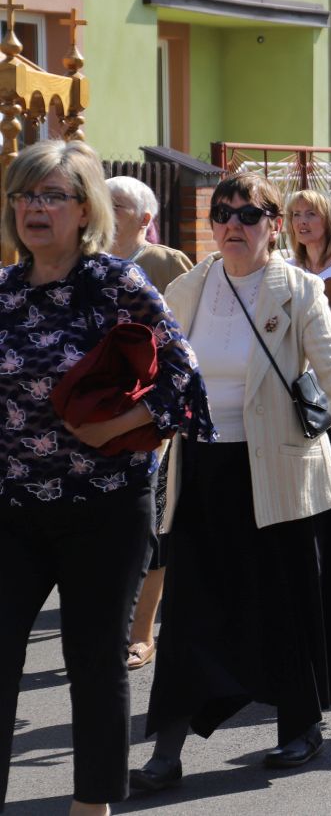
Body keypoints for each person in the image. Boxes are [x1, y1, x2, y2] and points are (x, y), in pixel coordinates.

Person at [135, 172, 331, 790]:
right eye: (222, 214)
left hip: (281, 469)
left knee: (285, 605)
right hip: (204, 470)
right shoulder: (188, 288)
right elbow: (157, 375)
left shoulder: (297, 289)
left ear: (273, 224)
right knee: (191, 609)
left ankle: (299, 726)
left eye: (247, 214)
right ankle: (167, 748)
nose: (233, 225)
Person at [0, 141, 212, 816]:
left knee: (93, 659)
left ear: (84, 207)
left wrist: (113, 429)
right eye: (25, 195)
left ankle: (91, 806)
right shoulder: (2, 292)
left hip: (106, 507)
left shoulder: (116, 283)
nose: (35, 207)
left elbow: (185, 379)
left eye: (51, 194)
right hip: (12, 507)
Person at [105, 175, 194, 672]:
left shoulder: (164, 263)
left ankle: (142, 632)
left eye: (116, 204)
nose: (105, 210)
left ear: (144, 218)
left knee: (154, 523)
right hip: (99, 415)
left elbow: (185, 336)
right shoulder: (84, 262)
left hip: (152, 415)